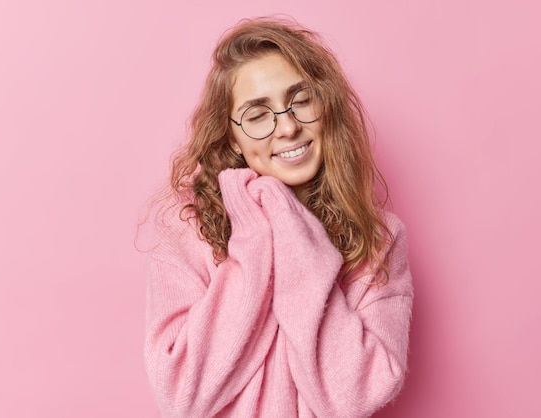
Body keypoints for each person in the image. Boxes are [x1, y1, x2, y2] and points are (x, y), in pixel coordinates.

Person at [143, 16, 413, 418]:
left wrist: (294, 233)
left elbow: (358, 393)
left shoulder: (379, 239)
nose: (287, 127)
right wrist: (255, 237)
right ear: (231, 134)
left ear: (324, 105)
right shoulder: (185, 229)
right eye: (257, 114)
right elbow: (182, 391)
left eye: (301, 100)